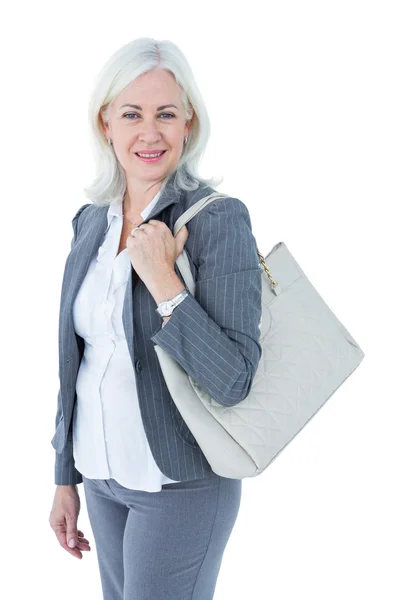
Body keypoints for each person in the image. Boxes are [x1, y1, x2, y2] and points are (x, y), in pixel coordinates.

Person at [48, 37, 263, 600]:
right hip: (100, 477)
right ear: (106, 124)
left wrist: (165, 281)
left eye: (166, 114)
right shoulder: (90, 222)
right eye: (132, 114)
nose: (150, 132)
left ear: (189, 122)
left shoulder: (218, 220)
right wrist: (64, 476)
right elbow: (77, 359)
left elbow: (235, 379)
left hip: (180, 483)